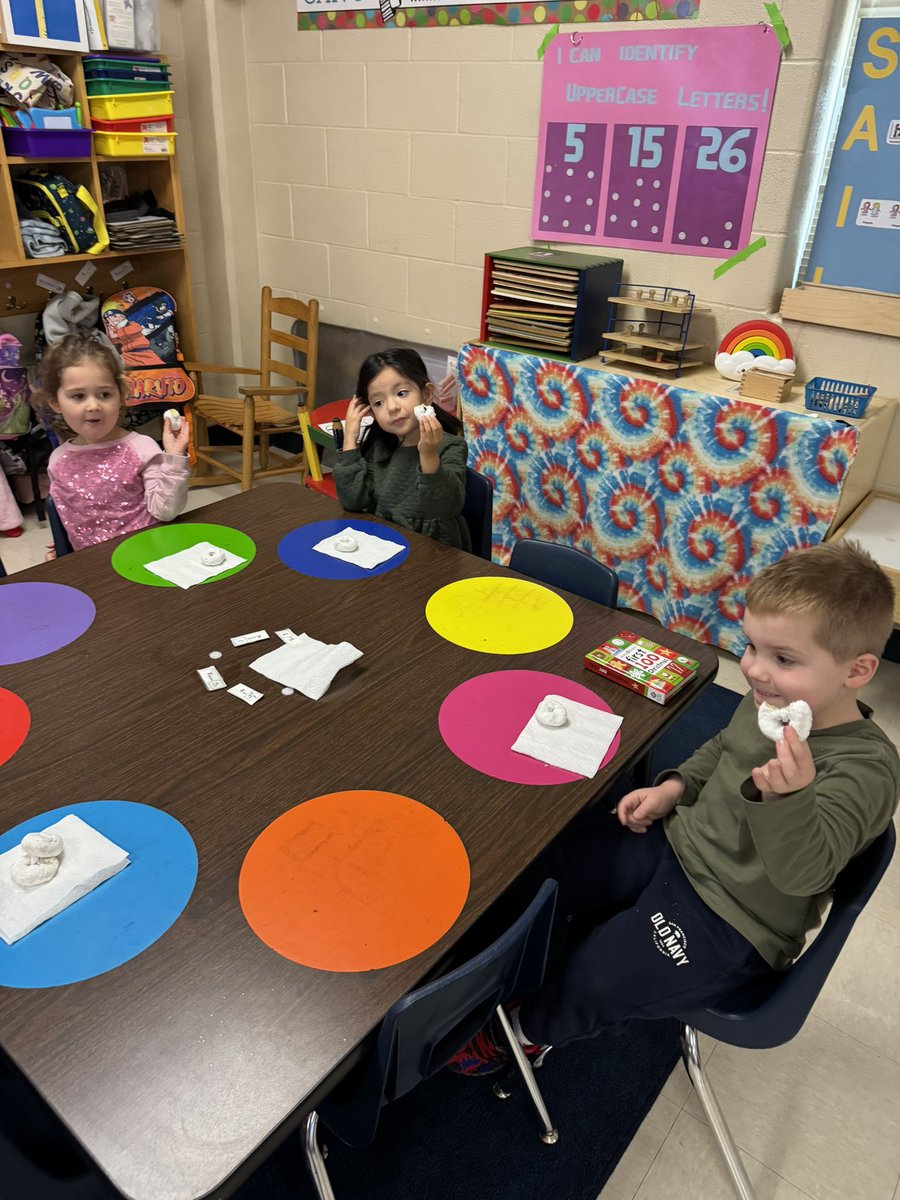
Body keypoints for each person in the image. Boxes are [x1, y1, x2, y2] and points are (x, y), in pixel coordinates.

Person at [450, 539, 900, 1073]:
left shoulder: (866, 769)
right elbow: (723, 750)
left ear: (857, 670)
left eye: (783, 659)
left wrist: (788, 798)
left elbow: (805, 873)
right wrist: (675, 788)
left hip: (736, 914)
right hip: (679, 841)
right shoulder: (773, 700)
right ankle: (500, 966)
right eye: (751, 647)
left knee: (596, 976)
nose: (754, 670)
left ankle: (522, 1035)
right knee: (554, 861)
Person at [41, 331, 190, 553]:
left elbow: (166, 512)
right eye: (78, 396)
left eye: (104, 394)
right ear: (55, 402)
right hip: (92, 562)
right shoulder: (58, 461)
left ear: (120, 395)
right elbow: (69, 515)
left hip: (147, 554)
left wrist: (175, 459)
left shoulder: (141, 448)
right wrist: (63, 545)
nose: (93, 406)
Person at [332, 348, 471, 551]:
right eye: (378, 402)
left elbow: (443, 508)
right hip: (383, 542)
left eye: (401, 393)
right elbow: (353, 502)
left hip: (433, 549)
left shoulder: (451, 445)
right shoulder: (380, 446)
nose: (391, 407)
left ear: (426, 395)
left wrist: (428, 454)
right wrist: (350, 438)